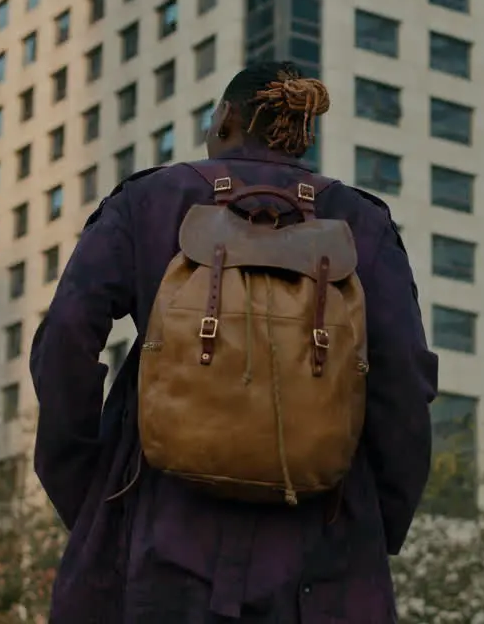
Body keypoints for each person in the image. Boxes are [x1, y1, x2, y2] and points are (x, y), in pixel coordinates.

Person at [30, 61, 438, 623]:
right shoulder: (361, 222)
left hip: (153, 546)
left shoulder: (149, 201)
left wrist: (86, 490)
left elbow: (67, 341)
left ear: (225, 119)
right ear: (304, 133)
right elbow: (405, 384)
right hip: (324, 558)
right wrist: (377, 520)